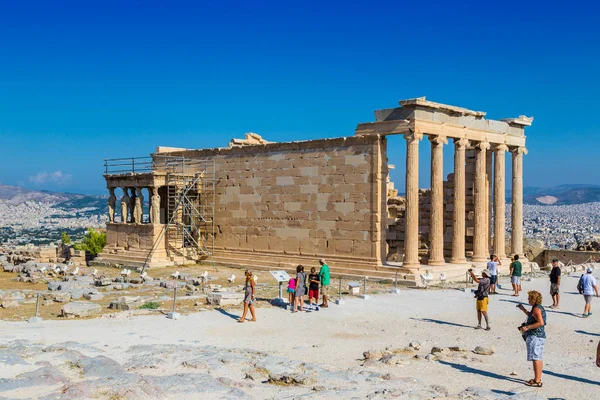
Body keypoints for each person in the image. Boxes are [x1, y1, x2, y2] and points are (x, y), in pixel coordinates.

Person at [517, 290, 547, 387]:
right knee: (538, 357)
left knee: (536, 357)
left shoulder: (537, 309)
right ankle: (537, 378)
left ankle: (537, 381)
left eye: (529, 298)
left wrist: (527, 327)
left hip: (535, 336)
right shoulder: (536, 308)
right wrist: (523, 309)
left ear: (534, 299)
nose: (528, 299)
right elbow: (531, 316)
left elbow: (541, 323)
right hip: (539, 336)